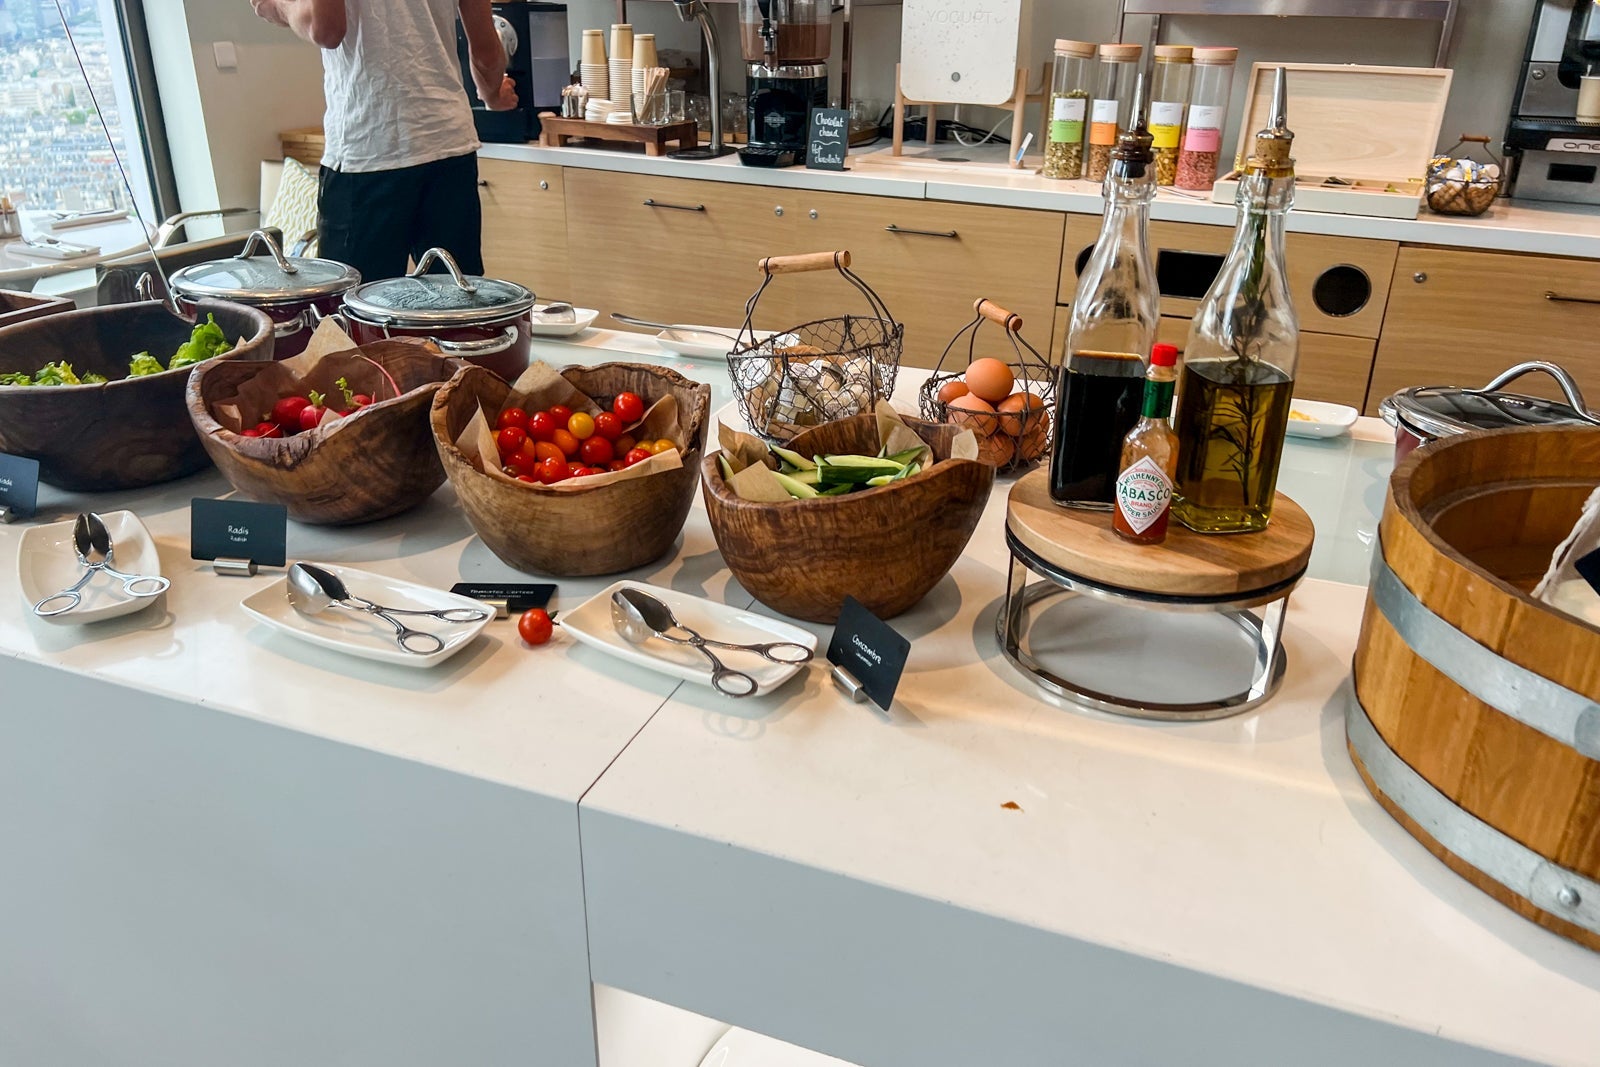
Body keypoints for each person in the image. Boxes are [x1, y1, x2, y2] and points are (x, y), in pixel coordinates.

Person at [249, 0, 518, 281]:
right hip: (447, 141)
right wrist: (492, 95)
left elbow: (326, 28)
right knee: (455, 297)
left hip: (369, 148)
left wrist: (278, 6)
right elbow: (486, 51)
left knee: (355, 301)